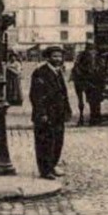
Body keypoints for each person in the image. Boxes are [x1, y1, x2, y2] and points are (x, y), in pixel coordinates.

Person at [29, 45, 72, 180]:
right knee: (45, 142)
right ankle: (45, 170)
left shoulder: (58, 72)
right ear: (48, 58)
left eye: (59, 56)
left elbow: (63, 94)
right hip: (46, 115)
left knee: (57, 141)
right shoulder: (40, 72)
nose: (58, 59)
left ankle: (52, 165)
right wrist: (42, 113)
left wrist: (67, 110)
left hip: (58, 114)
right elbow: (36, 95)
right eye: (54, 56)